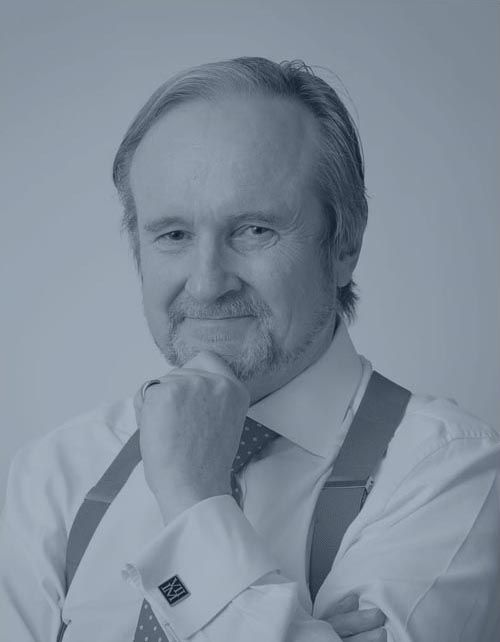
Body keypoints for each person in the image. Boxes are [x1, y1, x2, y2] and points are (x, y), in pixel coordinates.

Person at [1, 56, 499, 642]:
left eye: (254, 230)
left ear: (345, 244)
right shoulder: (56, 473)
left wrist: (193, 499)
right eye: (174, 235)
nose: (206, 283)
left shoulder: (448, 471)